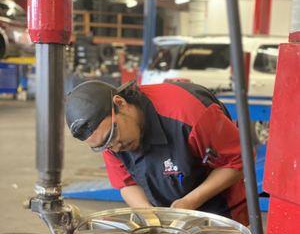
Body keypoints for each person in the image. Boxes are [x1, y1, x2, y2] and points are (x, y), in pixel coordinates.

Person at [66, 80, 248, 225]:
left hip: (216, 209)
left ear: (120, 103)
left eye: (112, 136)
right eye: (104, 146)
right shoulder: (109, 139)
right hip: (169, 213)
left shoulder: (187, 113)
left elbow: (239, 160)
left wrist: (189, 202)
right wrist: (148, 214)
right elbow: (126, 183)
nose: (115, 147)